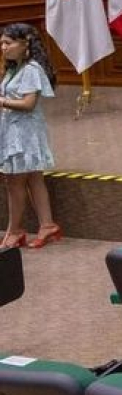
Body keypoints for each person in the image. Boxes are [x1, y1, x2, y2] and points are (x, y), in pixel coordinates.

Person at [0, 23, 60, 249]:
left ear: (25, 43)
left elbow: (28, 103)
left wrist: (2, 101)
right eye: (1, 44)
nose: (3, 48)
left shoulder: (31, 69)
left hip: (24, 133)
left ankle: (14, 231)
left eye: (8, 43)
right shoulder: (14, 68)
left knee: (14, 182)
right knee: (34, 178)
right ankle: (47, 225)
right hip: (14, 131)